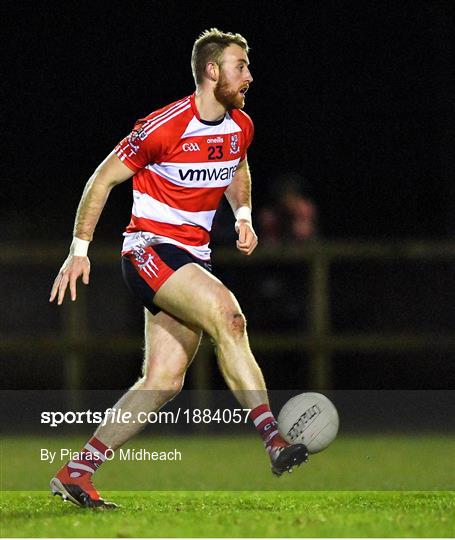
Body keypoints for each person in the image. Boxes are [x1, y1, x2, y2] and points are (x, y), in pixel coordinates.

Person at [49, 28, 308, 509]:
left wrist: (245, 217)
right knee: (229, 317)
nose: (249, 75)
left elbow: (237, 166)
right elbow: (100, 180)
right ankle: (274, 440)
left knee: (164, 381)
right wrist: (79, 248)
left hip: (192, 257)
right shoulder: (164, 126)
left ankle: (76, 472)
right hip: (149, 249)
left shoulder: (240, 125)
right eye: (240, 66)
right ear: (212, 71)